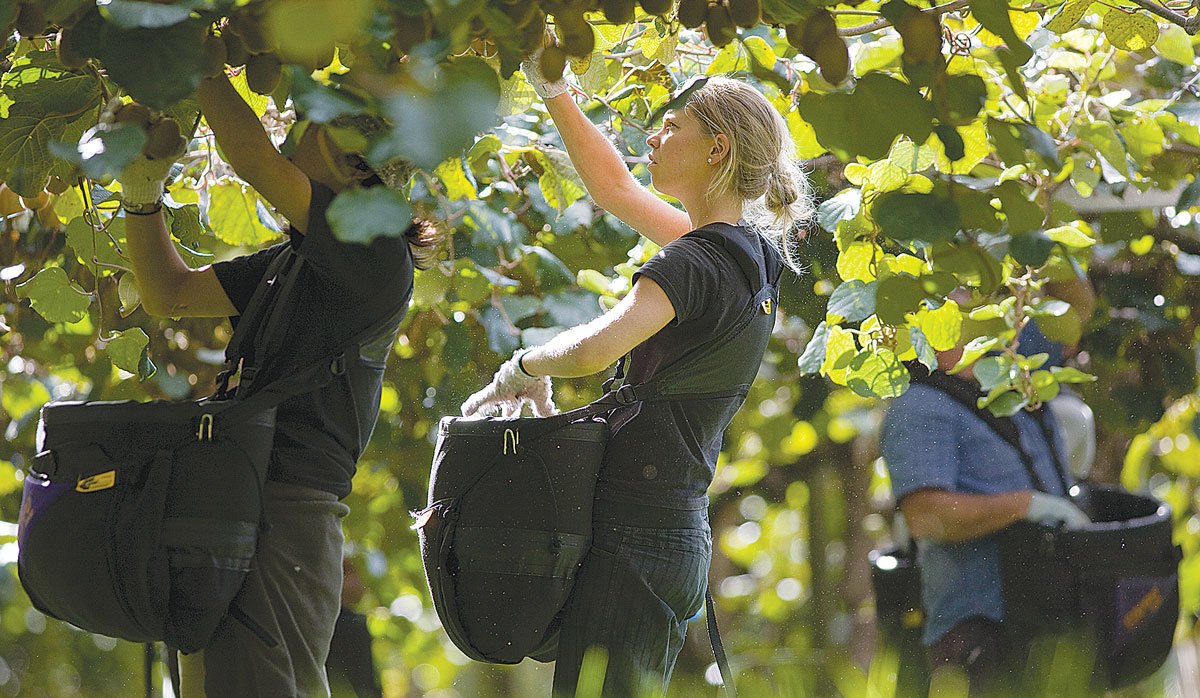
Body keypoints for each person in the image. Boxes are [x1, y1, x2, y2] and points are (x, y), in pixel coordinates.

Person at [459, 54, 811, 696]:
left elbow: (597, 350)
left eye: (672, 126)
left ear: (717, 150)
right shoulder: (746, 257)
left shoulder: (696, 263)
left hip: (637, 535)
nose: (653, 136)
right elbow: (615, 190)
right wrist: (556, 90)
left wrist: (524, 365)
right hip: (669, 529)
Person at [117, 71, 438, 697]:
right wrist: (142, 194)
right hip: (231, 494)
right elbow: (168, 293)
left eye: (308, 126)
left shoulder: (370, 248)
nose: (288, 138)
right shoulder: (294, 261)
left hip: (285, 512)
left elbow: (254, 160)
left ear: (353, 163)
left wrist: (196, 52)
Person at [879, 332, 1092, 696]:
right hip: (980, 631)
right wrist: (1026, 506)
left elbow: (1074, 314)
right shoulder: (918, 404)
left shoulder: (1009, 378)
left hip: (1052, 618)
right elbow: (926, 515)